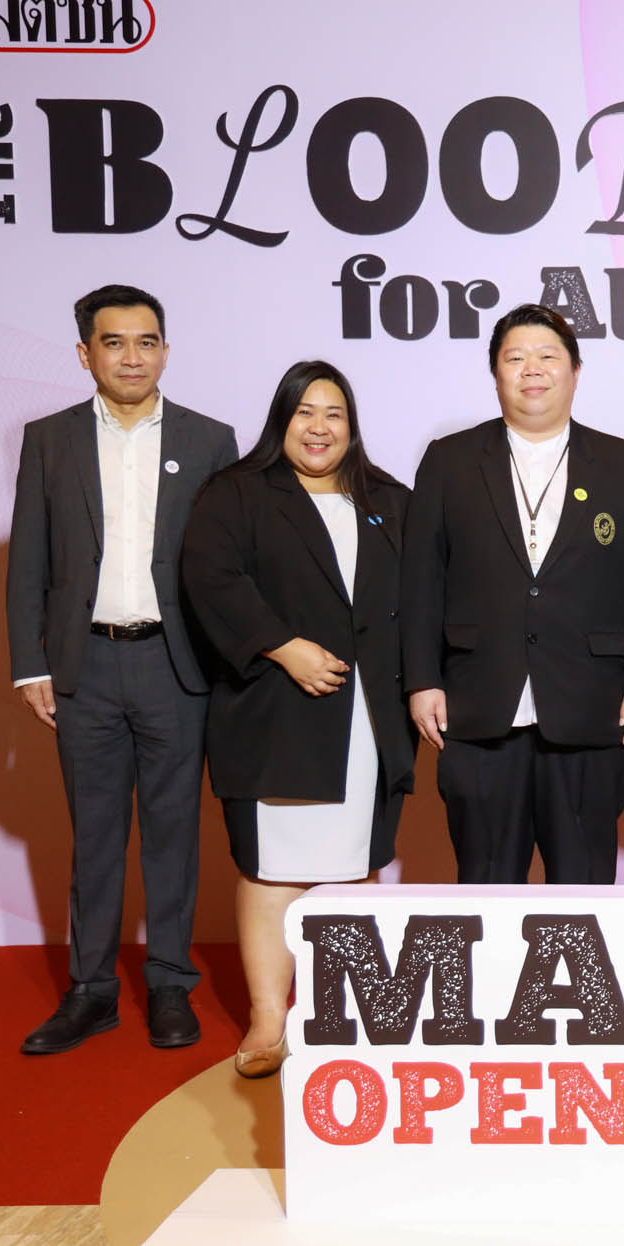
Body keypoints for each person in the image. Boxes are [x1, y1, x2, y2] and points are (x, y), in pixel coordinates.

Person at [7, 284, 238, 1054]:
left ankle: (170, 983)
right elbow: (29, 557)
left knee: (174, 832)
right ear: (86, 354)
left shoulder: (211, 439)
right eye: (114, 342)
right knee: (95, 835)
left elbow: (227, 564)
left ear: (165, 350)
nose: (131, 356)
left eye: (146, 341)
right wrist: (29, 663)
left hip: (176, 665)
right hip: (86, 664)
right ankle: (92, 989)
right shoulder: (50, 439)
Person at [180, 361, 414, 1077]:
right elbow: (211, 579)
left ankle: (348, 1016)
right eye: (304, 412)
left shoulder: (390, 500)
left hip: (367, 718)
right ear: (282, 419)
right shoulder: (236, 494)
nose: (319, 427)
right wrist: (283, 648)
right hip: (276, 710)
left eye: (334, 414)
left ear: (352, 425)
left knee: (353, 868)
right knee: (273, 871)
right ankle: (267, 1018)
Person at [402, 304, 624, 885]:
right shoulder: (449, 461)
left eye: (547, 356)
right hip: (477, 707)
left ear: (575, 371)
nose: (532, 369)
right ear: (496, 373)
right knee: (485, 882)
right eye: (515, 358)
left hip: (592, 708)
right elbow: (421, 582)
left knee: (583, 886)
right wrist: (422, 680)